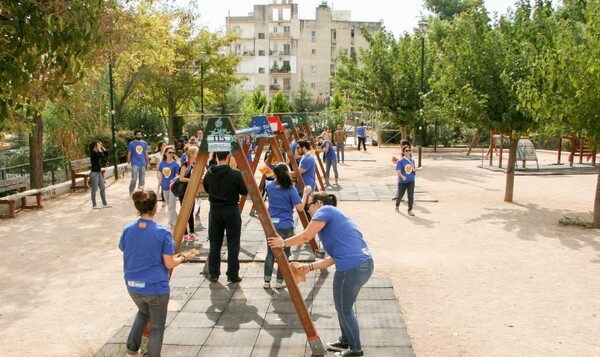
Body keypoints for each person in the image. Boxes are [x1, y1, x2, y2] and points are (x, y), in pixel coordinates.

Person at [267, 191, 373, 357]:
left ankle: (356, 349)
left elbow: (306, 236)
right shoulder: (330, 221)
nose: (308, 209)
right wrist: (309, 267)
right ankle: (346, 340)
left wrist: (283, 243)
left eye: (309, 205)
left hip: (355, 267)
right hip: (355, 265)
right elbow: (333, 258)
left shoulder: (327, 210)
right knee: (341, 307)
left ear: (318, 204)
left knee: (345, 309)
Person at [119, 189, 197, 357]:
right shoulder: (162, 232)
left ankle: (131, 351)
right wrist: (184, 257)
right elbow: (169, 263)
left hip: (133, 286)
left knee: (143, 312)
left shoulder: (127, 229)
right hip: (155, 288)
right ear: (155, 206)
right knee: (157, 328)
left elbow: (129, 250)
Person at [202, 151, 249, 283]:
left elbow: (206, 188)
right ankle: (232, 273)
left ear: (216, 156)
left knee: (215, 242)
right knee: (233, 242)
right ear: (228, 157)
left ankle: (214, 273)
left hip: (215, 209)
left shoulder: (209, 174)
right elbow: (244, 190)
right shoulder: (235, 173)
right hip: (231, 209)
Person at [263, 163, 309, 289]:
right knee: (285, 253)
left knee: (270, 253)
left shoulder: (269, 186)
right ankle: (279, 280)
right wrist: (305, 193)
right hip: (286, 224)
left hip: (272, 224)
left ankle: (266, 281)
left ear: (275, 174)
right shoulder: (290, 189)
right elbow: (300, 208)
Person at [177, 145, 198, 240]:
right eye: (196, 153)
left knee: (191, 211)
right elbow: (181, 178)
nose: (197, 155)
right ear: (192, 154)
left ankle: (192, 232)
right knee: (185, 211)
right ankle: (185, 233)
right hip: (183, 191)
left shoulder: (192, 165)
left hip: (189, 190)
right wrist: (192, 180)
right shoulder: (185, 165)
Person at [395, 145, 421, 216]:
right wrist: (402, 176)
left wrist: (418, 169)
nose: (408, 152)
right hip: (402, 182)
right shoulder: (400, 161)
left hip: (411, 180)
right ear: (403, 152)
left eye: (409, 150)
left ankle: (410, 210)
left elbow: (413, 169)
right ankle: (397, 205)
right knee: (400, 195)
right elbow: (398, 171)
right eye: (406, 151)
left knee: (411, 196)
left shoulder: (412, 160)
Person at [158, 146, 180, 229]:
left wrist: (173, 184)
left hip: (172, 187)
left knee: (172, 205)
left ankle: (171, 223)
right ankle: (178, 219)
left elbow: (176, 176)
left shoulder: (176, 164)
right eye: (170, 152)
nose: (171, 154)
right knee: (169, 204)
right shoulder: (162, 163)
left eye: (173, 153)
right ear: (166, 153)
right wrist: (159, 184)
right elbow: (160, 174)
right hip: (164, 186)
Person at [127, 129, 151, 195]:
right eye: (138, 135)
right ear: (135, 135)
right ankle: (131, 192)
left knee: (142, 180)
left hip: (143, 163)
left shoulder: (144, 143)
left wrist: (148, 163)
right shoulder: (131, 144)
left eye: (140, 134)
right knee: (134, 179)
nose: (139, 136)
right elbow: (129, 154)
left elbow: (146, 153)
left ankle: (140, 192)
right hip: (135, 163)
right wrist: (128, 163)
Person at [89, 140, 110, 209]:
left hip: (98, 173)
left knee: (102, 188)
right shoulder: (93, 153)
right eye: (98, 145)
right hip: (94, 173)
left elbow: (106, 154)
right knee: (94, 189)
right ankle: (94, 205)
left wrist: (102, 147)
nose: (100, 147)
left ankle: (104, 204)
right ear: (95, 146)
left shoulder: (97, 152)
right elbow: (101, 155)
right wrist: (99, 149)